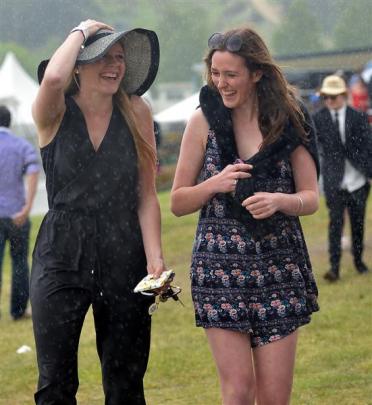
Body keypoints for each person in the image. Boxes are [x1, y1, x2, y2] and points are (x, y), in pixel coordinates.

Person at [171, 27, 320, 405]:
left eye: (231, 74)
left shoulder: (289, 121)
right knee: (237, 393)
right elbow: (178, 202)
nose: (221, 83)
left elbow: (311, 197)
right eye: (215, 74)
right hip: (219, 271)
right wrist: (214, 184)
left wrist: (280, 202)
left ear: (257, 73)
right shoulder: (201, 122)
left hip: (279, 269)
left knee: (274, 398)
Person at [30, 19, 165, 404]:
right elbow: (53, 80)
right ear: (78, 65)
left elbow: (146, 195)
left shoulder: (137, 111)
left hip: (123, 248)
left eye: (120, 57)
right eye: (102, 57)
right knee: (55, 381)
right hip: (61, 249)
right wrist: (80, 29)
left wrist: (154, 258)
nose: (114, 65)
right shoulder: (53, 110)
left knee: (125, 377)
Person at [313, 75, 372, 282]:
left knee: (358, 224)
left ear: (344, 96)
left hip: (358, 180)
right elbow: (314, 147)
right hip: (334, 181)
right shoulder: (318, 119)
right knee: (335, 224)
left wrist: (368, 172)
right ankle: (334, 267)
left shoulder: (358, 116)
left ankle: (358, 261)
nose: (330, 101)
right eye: (326, 97)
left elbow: (368, 146)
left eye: (334, 96)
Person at [0, 105, 39, 320]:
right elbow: (33, 172)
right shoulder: (21, 145)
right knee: (19, 262)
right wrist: (28, 206)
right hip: (17, 214)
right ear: (9, 122)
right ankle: (18, 310)